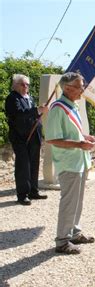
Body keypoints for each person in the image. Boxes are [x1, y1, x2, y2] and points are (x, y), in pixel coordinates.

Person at [45, 72, 95, 255]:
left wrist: (84, 137)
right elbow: (52, 139)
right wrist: (79, 144)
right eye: (80, 85)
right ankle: (62, 241)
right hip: (68, 163)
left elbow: (71, 133)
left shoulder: (72, 106)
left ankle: (74, 231)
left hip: (78, 160)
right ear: (67, 88)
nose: (83, 89)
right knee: (69, 202)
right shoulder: (58, 108)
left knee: (77, 201)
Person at [5, 74, 48, 205]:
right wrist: (36, 110)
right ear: (15, 85)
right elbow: (19, 114)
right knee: (23, 165)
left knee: (34, 163)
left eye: (27, 84)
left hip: (34, 135)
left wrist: (39, 112)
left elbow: (32, 114)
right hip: (20, 137)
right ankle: (22, 195)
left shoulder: (30, 97)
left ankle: (33, 191)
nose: (25, 86)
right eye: (22, 84)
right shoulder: (12, 98)